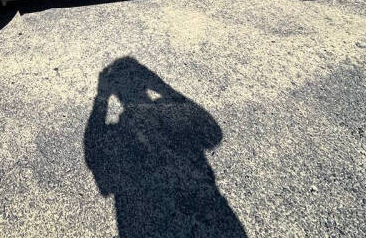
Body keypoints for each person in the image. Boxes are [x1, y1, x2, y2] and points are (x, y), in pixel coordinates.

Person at [84, 57, 246, 238]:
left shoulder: (121, 130)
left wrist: (102, 97)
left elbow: (94, 152)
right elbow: (213, 134)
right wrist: (163, 87)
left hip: (148, 222)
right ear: (146, 83)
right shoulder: (170, 115)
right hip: (204, 213)